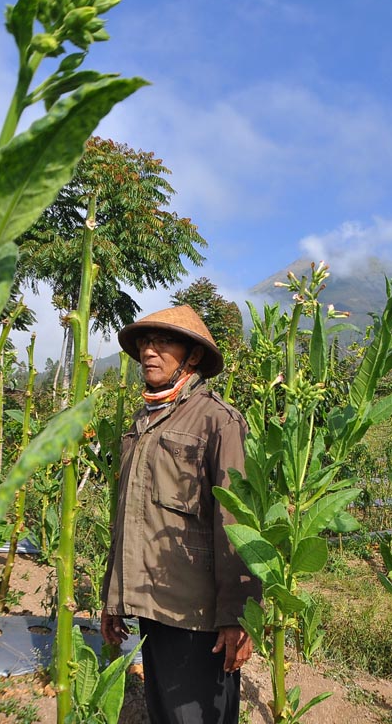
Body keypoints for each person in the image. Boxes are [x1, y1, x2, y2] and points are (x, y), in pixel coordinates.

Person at [101, 305, 260, 724]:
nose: (148, 352)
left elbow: (237, 524)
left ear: (191, 356)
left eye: (162, 342)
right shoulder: (143, 422)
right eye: (143, 343)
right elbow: (129, 517)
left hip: (197, 614)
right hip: (151, 602)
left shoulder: (218, 422)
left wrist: (238, 615)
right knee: (164, 713)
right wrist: (113, 596)